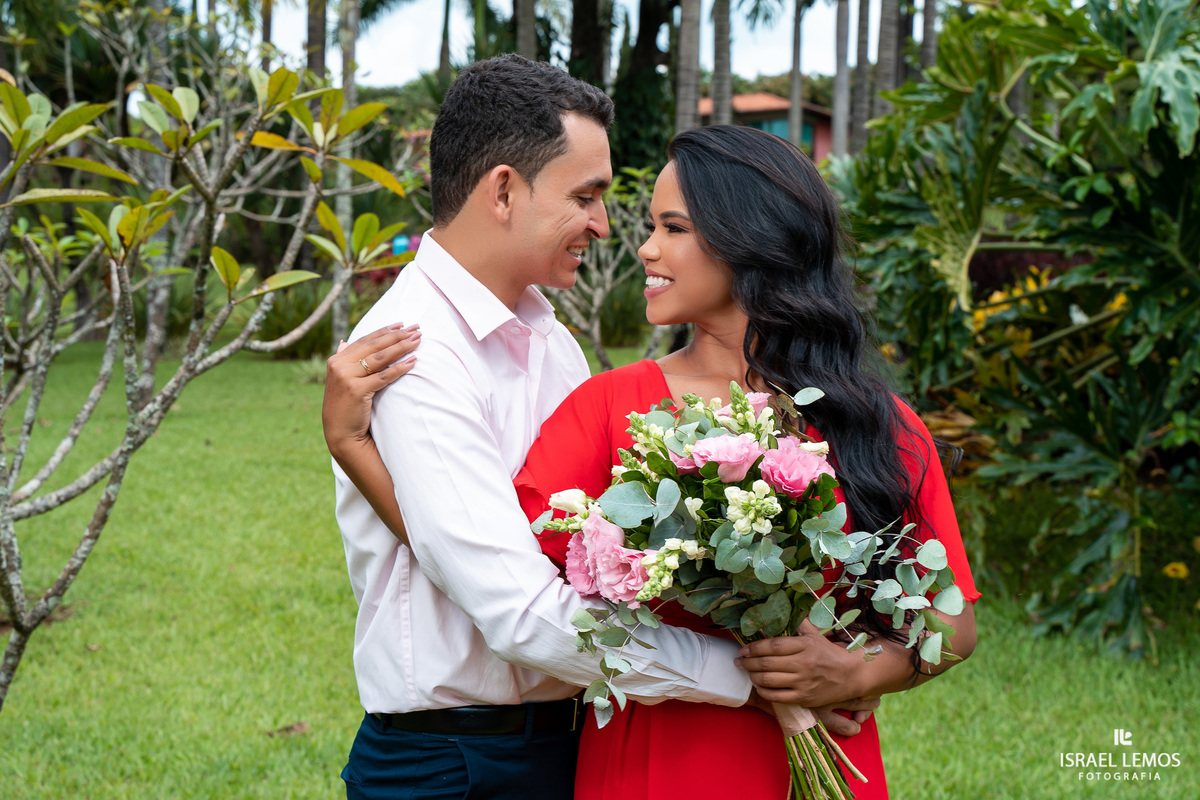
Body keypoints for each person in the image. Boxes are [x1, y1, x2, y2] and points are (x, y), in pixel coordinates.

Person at [327, 123, 979, 799]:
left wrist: (856, 673)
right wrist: (358, 453)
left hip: (832, 751)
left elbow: (953, 625)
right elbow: (492, 569)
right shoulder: (610, 408)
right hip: (655, 763)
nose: (644, 247)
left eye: (674, 228)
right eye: (651, 226)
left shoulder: (875, 422)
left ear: (751, 240)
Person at [331, 57, 800, 800]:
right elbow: (519, 612)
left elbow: (566, 554)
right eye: (585, 196)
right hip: (458, 764)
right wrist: (752, 678)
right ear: (504, 190)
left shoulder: (550, 341)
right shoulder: (414, 354)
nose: (604, 225)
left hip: (567, 739)